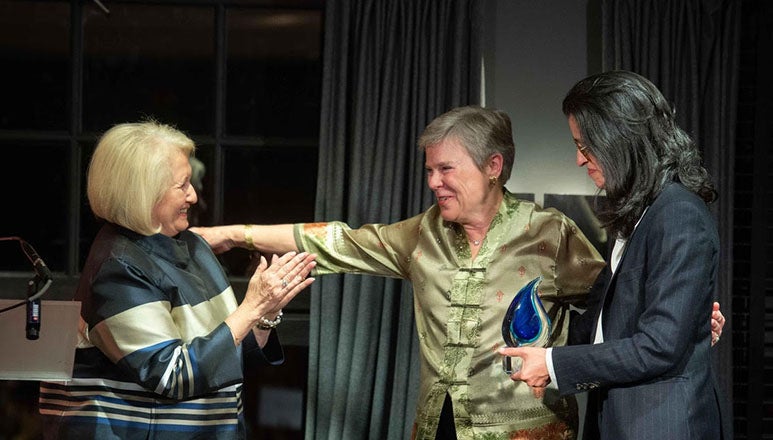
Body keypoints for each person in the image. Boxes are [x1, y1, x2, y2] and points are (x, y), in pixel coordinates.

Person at [191, 106, 727, 440]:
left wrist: (686, 319)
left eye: (447, 168)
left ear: (493, 167)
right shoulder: (420, 233)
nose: (434, 182)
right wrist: (233, 233)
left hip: (529, 432)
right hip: (438, 428)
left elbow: (614, 304)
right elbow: (335, 241)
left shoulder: (551, 233)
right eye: (429, 169)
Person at [38, 120, 317, 439]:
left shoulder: (192, 246)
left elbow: (231, 355)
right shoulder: (117, 268)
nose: (194, 196)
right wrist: (251, 308)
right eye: (182, 185)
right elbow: (173, 376)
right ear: (145, 192)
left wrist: (266, 312)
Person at [500, 70, 730, 439]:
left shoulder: (679, 214)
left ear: (619, 140)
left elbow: (659, 346)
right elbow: (603, 329)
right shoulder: (639, 215)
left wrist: (553, 365)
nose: (578, 160)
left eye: (585, 146)